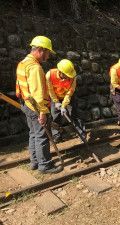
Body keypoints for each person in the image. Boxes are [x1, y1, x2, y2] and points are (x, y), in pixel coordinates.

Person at [16, 36, 62, 174]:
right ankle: (45, 165)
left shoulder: (23, 63)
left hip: (26, 104)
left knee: (34, 134)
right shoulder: (35, 68)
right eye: (48, 53)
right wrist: (42, 112)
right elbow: (37, 93)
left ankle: (35, 162)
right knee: (42, 135)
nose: (48, 56)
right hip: (36, 107)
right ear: (41, 50)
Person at [46, 59, 86, 143]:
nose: (69, 77)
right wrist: (56, 102)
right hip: (54, 97)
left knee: (73, 114)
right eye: (67, 75)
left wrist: (63, 106)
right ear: (60, 72)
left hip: (67, 98)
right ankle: (57, 137)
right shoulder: (49, 75)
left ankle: (82, 135)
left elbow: (69, 93)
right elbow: (50, 90)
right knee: (55, 116)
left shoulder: (72, 78)